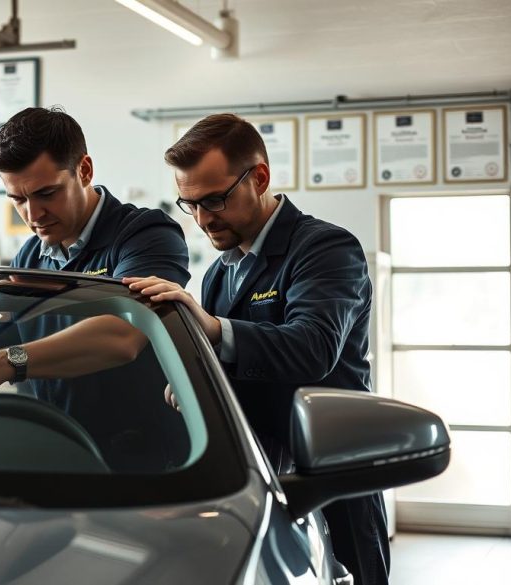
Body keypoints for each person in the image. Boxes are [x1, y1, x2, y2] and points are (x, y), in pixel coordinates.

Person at [125, 113, 389, 584]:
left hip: (329, 481)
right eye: (190, 205)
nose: (203, 219)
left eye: (215, 200)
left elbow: (313, 348)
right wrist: (194, 379)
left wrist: (212, 328)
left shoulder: (325, 248)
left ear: (260, 178)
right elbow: (236, 364)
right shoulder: (220, 273)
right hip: (258, 485)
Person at [0, 106, 192, 470]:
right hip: (60, 454)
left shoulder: (146, 235)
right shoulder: (29, 258)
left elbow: (122, 335)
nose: (33, 215)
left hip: (145, 466)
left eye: (47, 193)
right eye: (18, 199)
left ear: (84, 170)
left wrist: (5, 363)